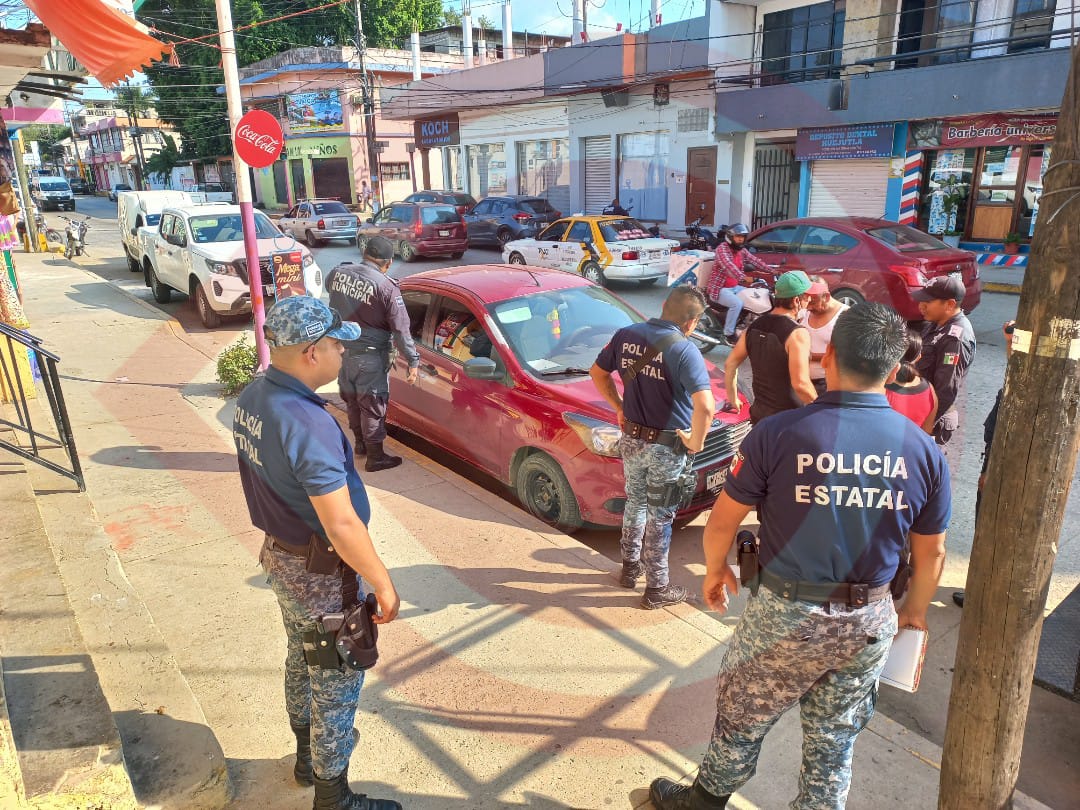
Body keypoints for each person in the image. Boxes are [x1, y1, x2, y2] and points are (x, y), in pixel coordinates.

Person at [649, 303, 951, 810]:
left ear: (827, 357)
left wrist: (717, 568)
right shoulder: (924, 452)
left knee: (742, 715)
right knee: (836, 739)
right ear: (894, 369)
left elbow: (722, 522)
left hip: (784, 613)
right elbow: (932, 551)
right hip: (868, 618)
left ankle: (703, 803)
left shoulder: (778, 432)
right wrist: (914, 612)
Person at [233, 296, 402, 810]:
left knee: (301, 657)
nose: (342, 353)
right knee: (336, 676)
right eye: (336, 344)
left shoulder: (254, 396)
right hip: (323, 572)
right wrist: (383, 582)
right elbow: (341, 522)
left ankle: (307, 758)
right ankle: (333, 797)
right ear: (311, 352)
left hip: (282, 558)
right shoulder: (305, 422)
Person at [590, 286, 715, 609]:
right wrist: (697, 442)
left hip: (632, 439)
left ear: (663, 306)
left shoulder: (626, 335)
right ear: (692, 322)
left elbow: (598, 373)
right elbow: (706, 406)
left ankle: (630, 568)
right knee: (661, 515)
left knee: (636, 502)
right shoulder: (685, 350)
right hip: (667, 447)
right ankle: (657, 588)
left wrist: (619, 407)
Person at [326, 236, 419, 472]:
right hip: (370, 357)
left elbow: (330, 291)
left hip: (341, 352)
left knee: (353, 401)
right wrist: (413, 360)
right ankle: (375, 458)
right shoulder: (387, 287)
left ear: (365, 254)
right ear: (388, 262)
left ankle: (360, 445)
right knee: (372, 406)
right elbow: (401, 329)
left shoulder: (338, 273)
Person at [953, 319, 1014, 608]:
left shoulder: (1028, 393)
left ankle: (983, 593)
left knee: (990, 529)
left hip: (1002, 469)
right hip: (996, 462)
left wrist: (990, 471)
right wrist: (1011, 342)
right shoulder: (1021, 381)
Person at [722, 270, 817, 425]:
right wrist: (821, 410)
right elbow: (801, 384)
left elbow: (730, 364)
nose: (810, 300)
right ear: (796, 301)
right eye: (806, 297)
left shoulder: (754, 326)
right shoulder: (797, 333)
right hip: (788, 420)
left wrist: (733, 399)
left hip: (759, 415)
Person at [913, 275, 976, 455]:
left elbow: (946, 390)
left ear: (949, 304)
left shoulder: (955, 338)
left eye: (927, 301)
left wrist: (924, 429)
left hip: (932, 421)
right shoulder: (935, 325)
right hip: (920, 413)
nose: (921, 306)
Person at [705, 223, 773, 346]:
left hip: (734, 287)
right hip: (719, 289)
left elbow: (755, 260)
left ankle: (743, 324)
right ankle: (728, 334)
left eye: (743, 237)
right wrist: (744, 277)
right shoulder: (722, 249)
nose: (741, 239)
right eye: (738, 237)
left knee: (753, 297)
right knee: (737, 303)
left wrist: (772, 271)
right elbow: (729, 266)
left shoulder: (741, 250)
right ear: (730, 237)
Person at [797, 276, 847, 395]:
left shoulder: (845, 315)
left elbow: (846, 354)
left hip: (827, 383)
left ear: (826, 297)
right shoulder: (803, 312)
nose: (809, 307)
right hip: (802, 381)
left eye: (813, 303)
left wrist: (808, 356)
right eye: (806, 301)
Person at [886, 329, 938, 434]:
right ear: (918, 357)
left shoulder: (880, 388)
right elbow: (926, 434)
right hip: (913, 444)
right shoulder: (930, 390)